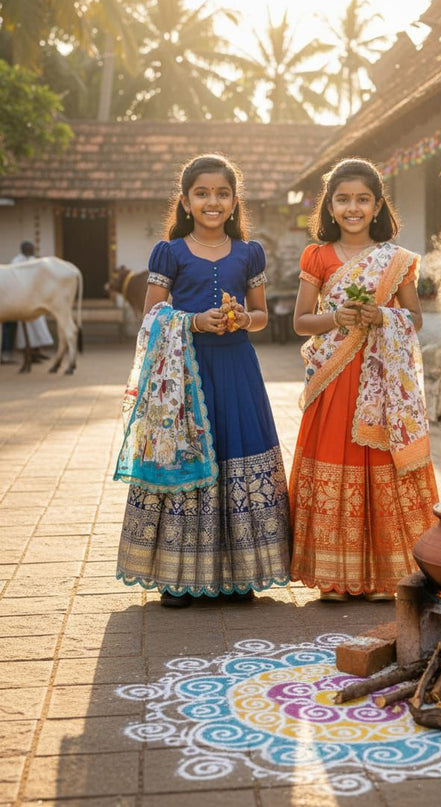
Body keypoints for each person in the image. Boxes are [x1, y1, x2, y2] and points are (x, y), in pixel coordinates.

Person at [114, 153, 291, 607]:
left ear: (234, 202)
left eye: (222, 193)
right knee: (184, 456)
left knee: (239, 453)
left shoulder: (250, 252)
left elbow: (262, 317)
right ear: (186, 201)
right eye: (202, 193)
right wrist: (192, 322)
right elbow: (152, 315)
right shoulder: (168, 252)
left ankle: (239, 573)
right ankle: (177, 576)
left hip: (237, 371)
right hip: (184, 375)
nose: (213, 201)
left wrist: (239, 318)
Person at [289, 158, 440, 602]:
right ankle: (334, 577)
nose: (352, 208)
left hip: (381, 382)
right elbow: (301, 322)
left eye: (362, 199)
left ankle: (384, 576)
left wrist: (384, 316)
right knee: (335, 457)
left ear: (377, 206)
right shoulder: (316, 255)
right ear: (329, 206)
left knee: (378, 464)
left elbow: (414, 320)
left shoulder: (396, 260)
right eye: (343, 200)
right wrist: (337, 316)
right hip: (333, 379)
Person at [12, 241, 55, 361]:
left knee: (39, 325)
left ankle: (37, 351)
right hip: (23, 298)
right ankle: (29, 353)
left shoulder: (33, 259)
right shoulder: (17, 261)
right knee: (27, 328)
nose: (32, 250)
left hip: (35, 297)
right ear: (24, 249)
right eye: (29, 248)